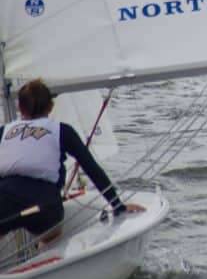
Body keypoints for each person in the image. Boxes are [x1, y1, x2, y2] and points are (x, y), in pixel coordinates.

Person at [0, 80, 144, 240]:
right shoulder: (62, 130)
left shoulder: (4, 131)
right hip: (45, 205)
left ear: (20, 107)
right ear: (50, 107)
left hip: (5, 200)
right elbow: (91, 168)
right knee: (49, 235)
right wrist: (118, 205)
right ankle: (45, 250)